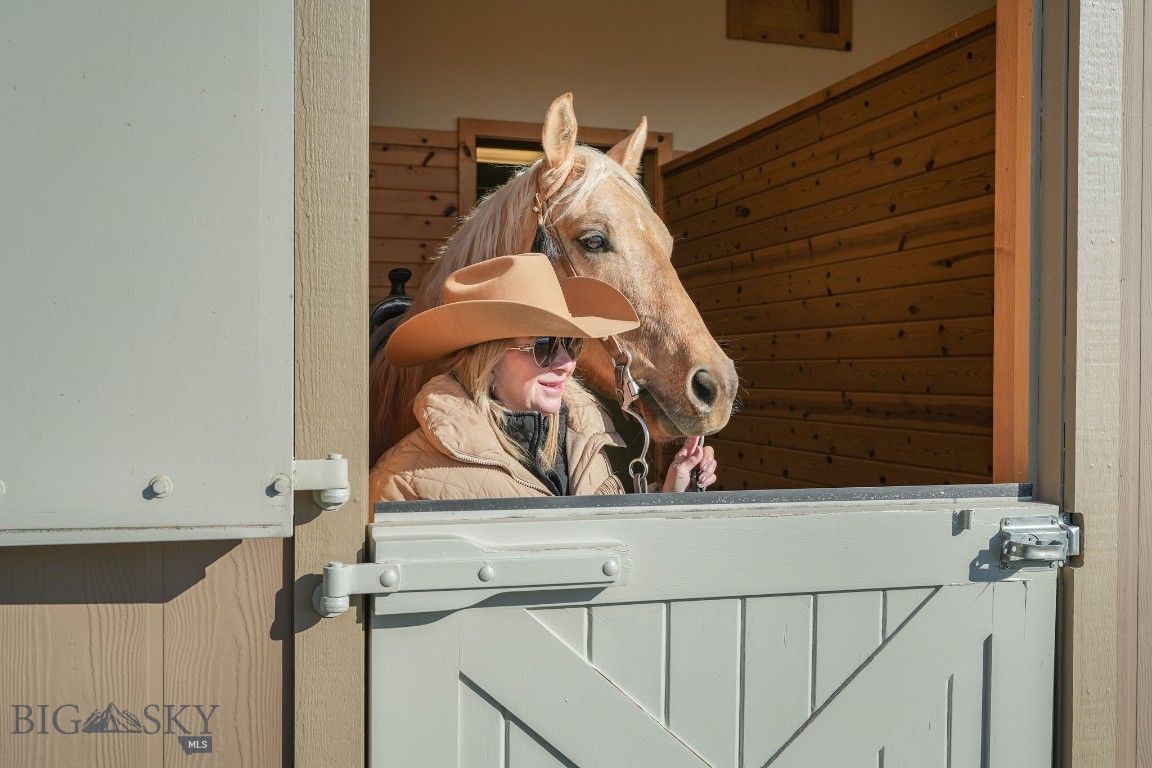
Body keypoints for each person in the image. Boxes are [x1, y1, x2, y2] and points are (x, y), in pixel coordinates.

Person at [370, 253, 718, 503]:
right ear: (486, 361)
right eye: (545, 346)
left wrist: (674, 497)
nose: (567, 364)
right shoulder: (402, 478)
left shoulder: (582, 440)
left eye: (571, 344)